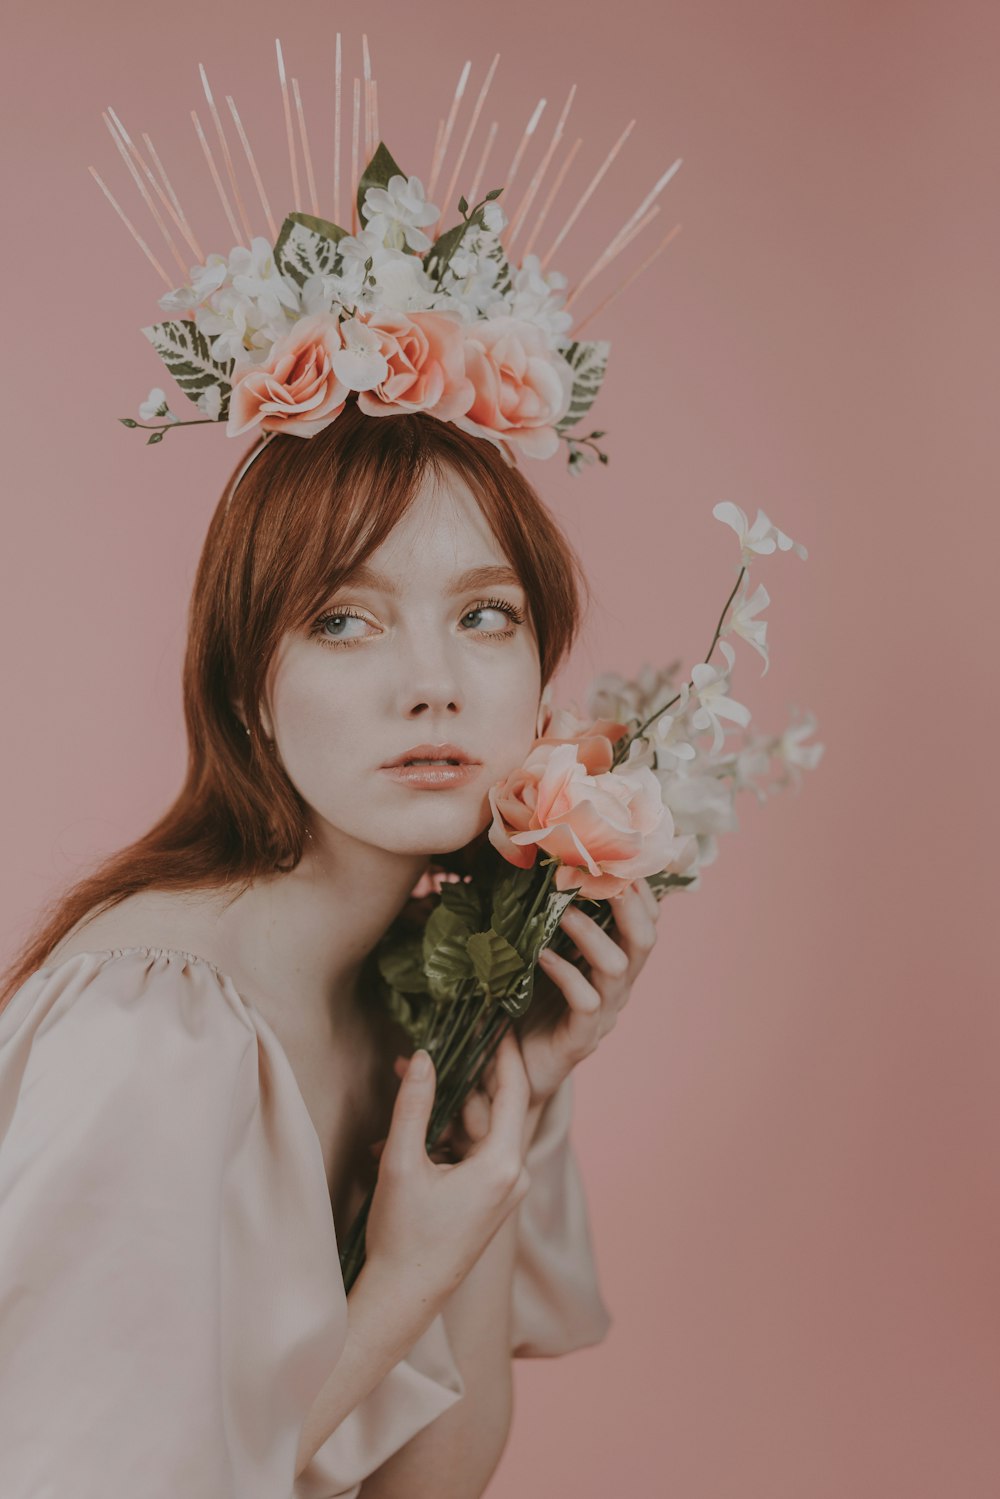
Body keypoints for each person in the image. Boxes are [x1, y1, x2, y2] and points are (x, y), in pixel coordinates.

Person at [0, 405, 664, 1498]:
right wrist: (398, 1277)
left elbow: (437, 1481)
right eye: (346, 620)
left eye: (486, 614)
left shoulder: (419, 993)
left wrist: (499, 1097)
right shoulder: (153, 1024)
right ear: (248, 691)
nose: (432, 682)